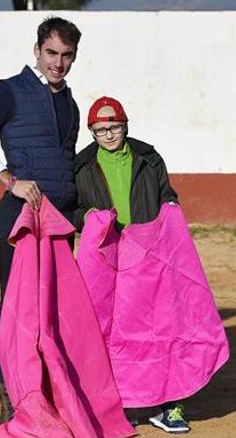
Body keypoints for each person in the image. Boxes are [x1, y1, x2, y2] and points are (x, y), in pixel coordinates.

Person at [0, 16, 81, 422]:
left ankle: (43, 391)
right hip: (22, 215)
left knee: (53, 307)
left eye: (66, 55)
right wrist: (8, 180)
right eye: (51, 53)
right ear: (37, 50)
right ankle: (7, 392)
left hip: (60, 219)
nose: (57, 63)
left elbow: (65, 164)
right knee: (17, 303)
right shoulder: (8, 91)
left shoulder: (71, 102)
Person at [74, 96, 197, 434]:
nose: (109, 135)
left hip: (148, 252)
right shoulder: (81, 164)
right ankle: (120, 402)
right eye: (100, 131)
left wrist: (170, 206)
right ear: (92, 133)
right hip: (107, 254)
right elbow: (71, 208)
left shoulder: (148, 157)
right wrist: (86, 218)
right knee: (110, 329)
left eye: (114, 127)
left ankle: (170, 405)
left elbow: (165, 194)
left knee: (161, 324)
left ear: (125, 125)